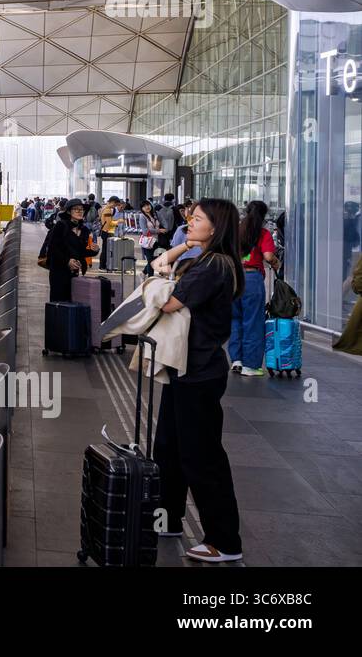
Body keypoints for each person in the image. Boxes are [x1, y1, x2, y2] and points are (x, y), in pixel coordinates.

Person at [149, 198, 245, 563]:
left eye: (198, 218)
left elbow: (168, 302)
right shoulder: (204, 259)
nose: (189, 221)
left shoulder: (213, 267)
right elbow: (162, 263)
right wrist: (185, 244)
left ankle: (225, 540)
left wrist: (164, 276)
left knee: (201, 455)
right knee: (169, 448)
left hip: (199, 370)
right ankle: (167, 518)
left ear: (216, 228)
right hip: (185, 367)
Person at [229, 200, 278, 376]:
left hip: (234, 277)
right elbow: (268, 255)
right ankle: (250, 365)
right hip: (252, 279)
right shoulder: (263, 233)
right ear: (263, 215)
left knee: (235, 319)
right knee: (253, 322)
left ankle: (236, 359)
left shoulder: (236, 230)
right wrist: (275, 262)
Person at [46, 201, 93, 302]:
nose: (80, 211)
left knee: (71, 301)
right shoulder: (61, 226)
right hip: (58, 270)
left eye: (81, 209)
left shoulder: (84, 230)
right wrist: (67, 261)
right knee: (58, 301)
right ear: (68, 212)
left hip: (74, 271)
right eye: (76, 209)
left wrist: (94, 251)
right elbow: (53, 247)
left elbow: (82, 252)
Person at [138, 200, 162, 277]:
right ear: (142, 208)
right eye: (144, 206)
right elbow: (145, 231)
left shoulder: (155, 215)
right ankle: (150, 278)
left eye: (148, 205)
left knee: (154, 260)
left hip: (156, 241)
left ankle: (144, 273)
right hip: (148, 242)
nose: (147, 207)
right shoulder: (142, 216)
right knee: (150, 260)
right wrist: (158, 231)